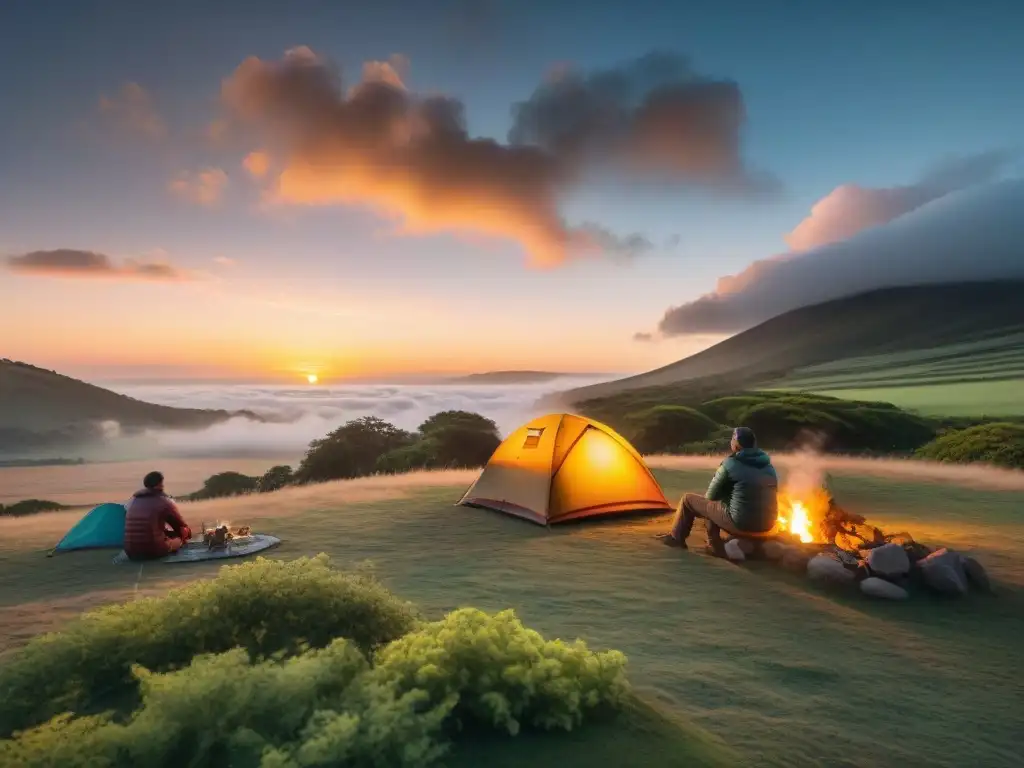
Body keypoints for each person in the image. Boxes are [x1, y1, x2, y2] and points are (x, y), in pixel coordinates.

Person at [656, 427, 778, 555]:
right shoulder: (769, 467)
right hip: (768, 526)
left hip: (742, 525)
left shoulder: (730, 464)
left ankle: (687, 540)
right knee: (731, 503)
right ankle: (746, 543)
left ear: (736, 444)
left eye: (732, 438)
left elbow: (710, 496)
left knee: (690, 500)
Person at [123, 471, 193, 561]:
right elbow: (179, 525)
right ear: (160, 484)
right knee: (179, 538)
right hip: (153, 551)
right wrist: (186, 535)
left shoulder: (132, 501)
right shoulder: (163, 501)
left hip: (130, 551)